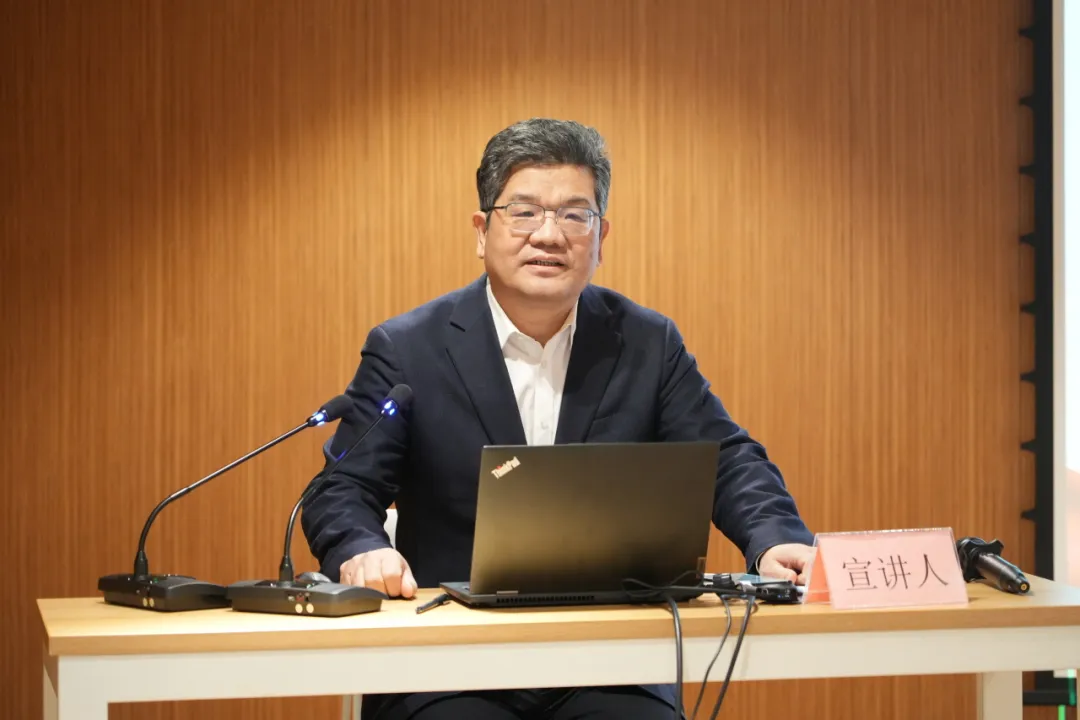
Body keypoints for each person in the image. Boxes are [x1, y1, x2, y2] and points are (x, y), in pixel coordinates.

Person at [301, 118, 815, 720]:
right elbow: (342, 488)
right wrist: (362, 549)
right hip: (451, 661)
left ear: (601, 237)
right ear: (481, 231)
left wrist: (774, 537)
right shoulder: (408, 349)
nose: (549, 235)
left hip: (612, 659)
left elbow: (727, 459)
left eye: (575, 215)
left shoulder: (647, 343)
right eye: (524, 212)